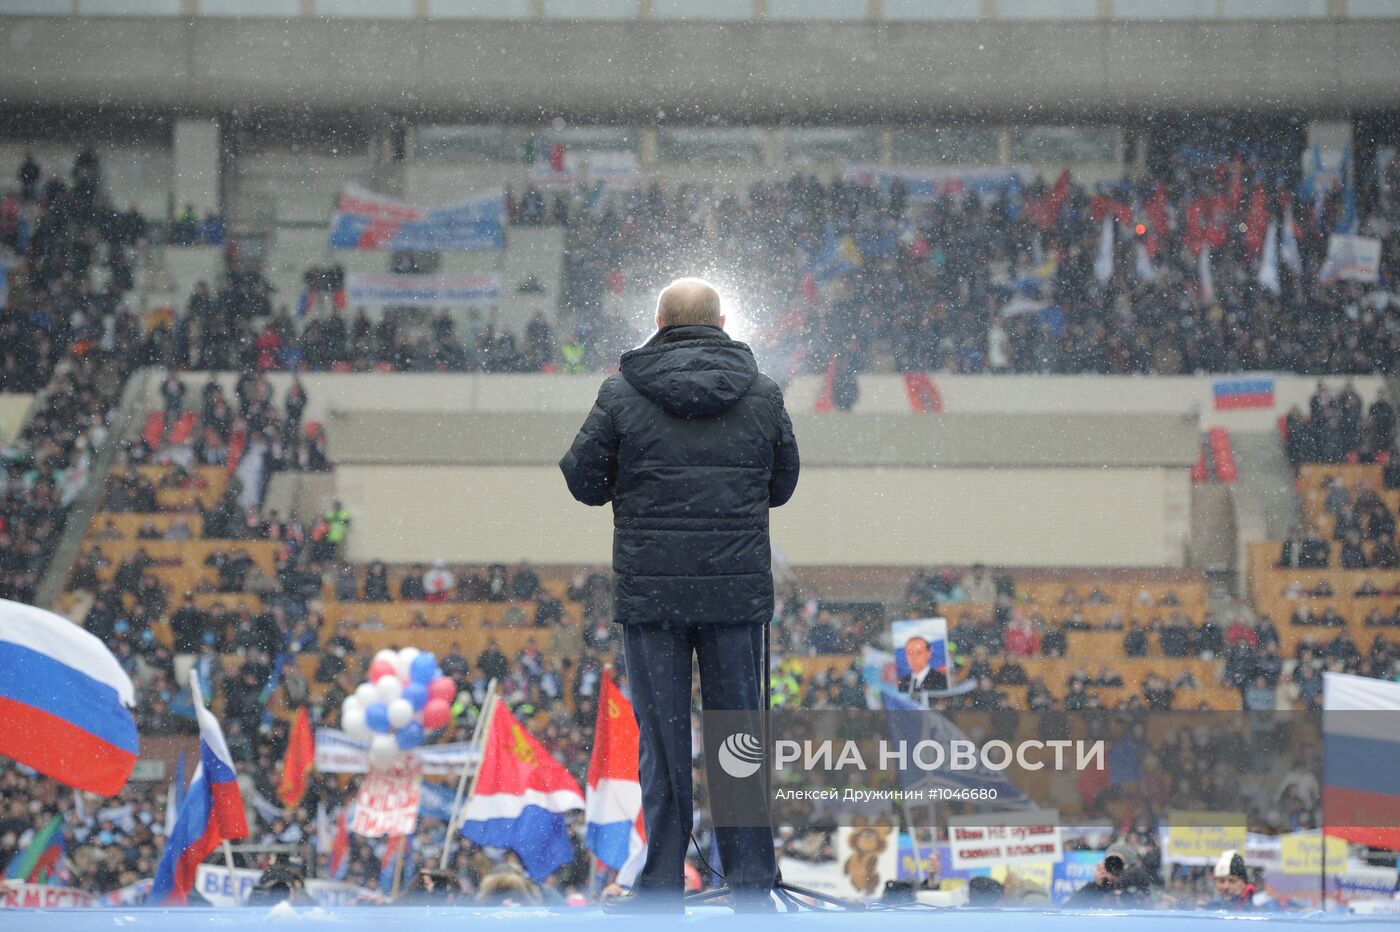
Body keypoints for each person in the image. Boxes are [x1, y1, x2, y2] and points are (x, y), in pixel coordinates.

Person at [561, 278, 799, 913]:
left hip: (653, 596)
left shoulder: (619, 394)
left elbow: (581, 481)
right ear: (722, 322)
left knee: (662, 741)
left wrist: (634, 483)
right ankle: (750, 883)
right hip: (734, 597)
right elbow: (782, 487)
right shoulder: (764, 395)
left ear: (658, 321)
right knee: (736, 737)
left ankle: (663, 882)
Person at [896, 636, 949, 700]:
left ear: (928, 654)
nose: (914, 657)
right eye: (910, 653)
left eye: (918, 653)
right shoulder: (903, 682)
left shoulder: (941, 680)